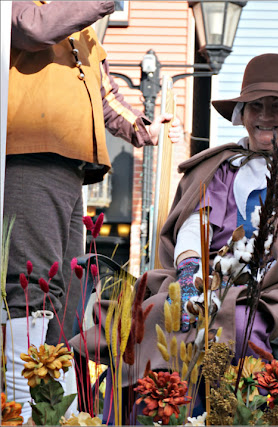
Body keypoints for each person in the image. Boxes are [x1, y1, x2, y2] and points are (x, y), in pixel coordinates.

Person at [69, 53, 278, 422]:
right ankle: (152, 416)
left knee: (240, 327)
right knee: (154, 317)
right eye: (256, 106)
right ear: (242, 113)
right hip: (199, 280)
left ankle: (237, 416)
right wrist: (190, 268)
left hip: (271, 291)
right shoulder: (219, 167)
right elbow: (195, 221)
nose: (266, 116)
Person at [4, 1, 184, 417]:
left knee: (63, 292)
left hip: (68, 164)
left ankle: (55, 409)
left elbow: (104, 94)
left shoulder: (83, 30)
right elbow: (31, 29)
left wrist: (141, 128)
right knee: (28, 287)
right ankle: (20, 408)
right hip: (29, 154)